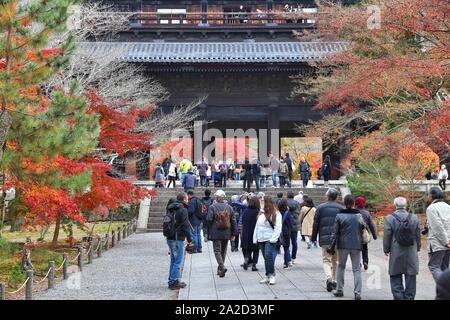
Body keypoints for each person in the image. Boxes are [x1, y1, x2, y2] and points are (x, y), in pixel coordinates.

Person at [383, 197, 421, 300]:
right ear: (406, 205)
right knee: (411, 276)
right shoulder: (414, 217)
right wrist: (418, 248)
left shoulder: (389, 218)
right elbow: (418, 234)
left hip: (396, 251)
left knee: (395, 275)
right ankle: (409, 298)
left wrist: (386, 249)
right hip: (411, 250)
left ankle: (398, 297)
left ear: (395, 205)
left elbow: (387, 235)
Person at [328, 195, 364, 300]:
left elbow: (335, 232)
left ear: (344, 203)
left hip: (342, 245)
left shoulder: (339, 215)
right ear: (353, 203)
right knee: (356, 269)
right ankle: (357, 293)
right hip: (356, 244)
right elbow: (363, 227)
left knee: (341, 267)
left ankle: (339, 290)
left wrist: (331, 246)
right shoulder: (358, 215)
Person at [311, 188, 343, 292]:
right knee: (336, 260)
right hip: (337, 239)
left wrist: (313, 237)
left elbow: (315, 223)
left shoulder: (320, 207)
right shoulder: (341, 208)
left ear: (327, 196)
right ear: (336, 197)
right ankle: (334, 280)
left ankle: (328, 277)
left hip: (325, 238)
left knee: (326, 259)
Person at [206, 190, 237, 278]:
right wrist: (234, 233)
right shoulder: (229, 207)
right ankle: (220, 270)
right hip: (227, 232)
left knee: (217, 251)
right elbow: (234, 221)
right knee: (223, 251)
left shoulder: (212, 207)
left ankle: (222, 267)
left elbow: (209, 219)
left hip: (216, 232)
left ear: (217, 197)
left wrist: (207, 231)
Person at [165, 193, 193, 290]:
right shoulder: (183, 209)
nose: (188, 200)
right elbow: (185, 225)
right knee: (178, 261)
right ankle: (173, 282)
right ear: (184, 199)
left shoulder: (171, 207)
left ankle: (173, 280)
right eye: (187, 198)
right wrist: (190, 239)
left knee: (173, 260)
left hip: (170, 237)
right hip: (177, 238)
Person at [253, 196, 282, 285]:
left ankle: (272, 275)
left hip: (270, 238)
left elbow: (278, 227)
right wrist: (255, 237)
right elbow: (257, 226)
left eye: (262, 201)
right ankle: (268, 275)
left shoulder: (276, 213)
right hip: (261, 238)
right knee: (266, 258)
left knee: (268, 255)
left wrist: (273, 239)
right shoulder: (261, 213)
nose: (260, 203)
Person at [425, 187, 450, 283]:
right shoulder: (448, 206)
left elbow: (437, 227)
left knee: (434, 266)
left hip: (438, 244)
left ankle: (445, 287)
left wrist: (445, 241)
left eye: (428, 195)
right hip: (448, 243)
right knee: (444, 268)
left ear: (431, 196)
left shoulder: (431, 208)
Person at [355, 196, 378, 270]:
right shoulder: (366, 213)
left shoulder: (353, 212)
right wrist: (374, 235)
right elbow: (371, 225)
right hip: (364, 233)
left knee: (356, 249)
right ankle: (365, 261)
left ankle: (358, 263)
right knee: (365, 248)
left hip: (354, 234)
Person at [240, 196, 260, 271]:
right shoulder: (258, 211)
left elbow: (242, 223)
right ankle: (254, 265)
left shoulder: (246, 211)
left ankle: (246, 260)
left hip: (246, 232)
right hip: (255, 233)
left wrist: (242, 234)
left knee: (248, 249)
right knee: (256, 250)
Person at [286, 191, 300, 263]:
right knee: (294, 242)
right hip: (295, 224)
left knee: (286, 242)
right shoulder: (297, 203)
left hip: (287, 224)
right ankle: (293, 257)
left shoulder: (285, 202)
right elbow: (298, 212)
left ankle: (287, 257)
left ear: (287, 196)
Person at [278, 199, 293, 268]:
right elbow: (290, 224)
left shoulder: (277, 212)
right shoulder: (287, 213)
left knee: (276, 248)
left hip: (278, 231)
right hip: (286, 231)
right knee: (286, 247)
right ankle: (286, 262)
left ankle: (288, 260)